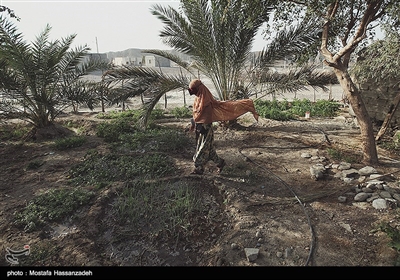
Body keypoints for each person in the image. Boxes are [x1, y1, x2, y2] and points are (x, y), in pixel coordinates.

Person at [188, 79, 259, 175]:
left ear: (199, 89)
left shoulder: (206, 102)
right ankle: (220, 163)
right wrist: (194, 124)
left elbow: (206, 118)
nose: (192, 93)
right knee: (210, 151)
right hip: (200, 129)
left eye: (193, 90)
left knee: (202, 150)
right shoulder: (198, 99)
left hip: (206, 130)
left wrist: (199, 124)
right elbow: (196, 116)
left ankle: (199, 168)